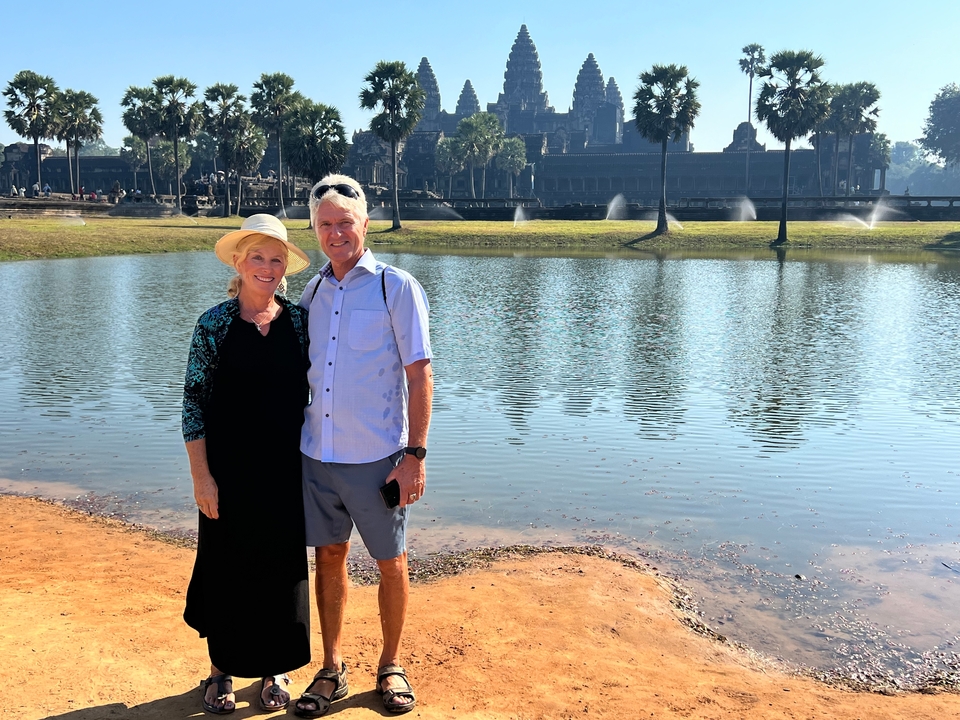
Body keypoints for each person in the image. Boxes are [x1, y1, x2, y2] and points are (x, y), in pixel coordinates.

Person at [294, 174, 433, 717]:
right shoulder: (311, 290)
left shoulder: (395, 287)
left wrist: (414, 456)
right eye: (324, 224)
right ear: (314, 229)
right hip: (317, 456)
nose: (335, 233)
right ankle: (332, 667)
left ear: (365, 224)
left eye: (344, 222)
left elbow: (420, 376)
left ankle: (391, 663)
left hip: (377, 458)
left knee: (391, 561)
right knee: (328, 558)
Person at [182, 213, 314, 715]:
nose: (266, 266)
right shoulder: (213, 324)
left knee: (280, 569)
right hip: (227, 473)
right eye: (256, 256)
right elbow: (193, 403)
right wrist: (202, 476)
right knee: (226, 566)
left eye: (275, 258)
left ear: (286, 268)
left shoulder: (300, 323)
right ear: (238, 263)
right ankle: (220, 671)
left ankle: (273, 669)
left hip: (284, 470)